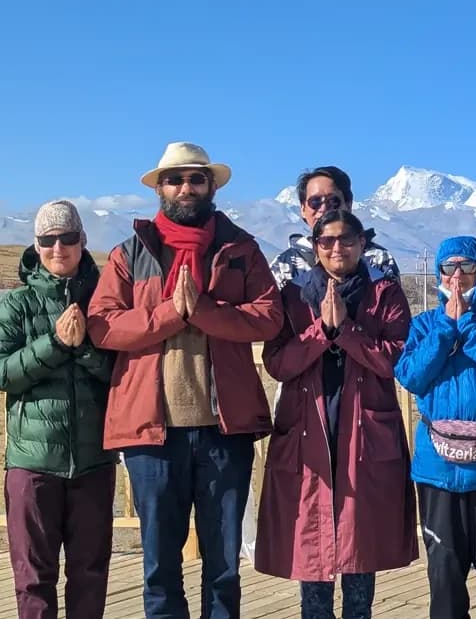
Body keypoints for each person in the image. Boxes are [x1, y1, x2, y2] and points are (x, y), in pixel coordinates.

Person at [87, 142, 284, 618]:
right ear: (160, 189)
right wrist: (170, 315)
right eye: (175, 180)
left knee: (223, 567)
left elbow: (268, 317)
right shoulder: (128, 254)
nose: (186, 188)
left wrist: (205, 311)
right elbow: (103, 325)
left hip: (224, 429)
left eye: (196, 179)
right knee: (159, 565)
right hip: (152, 433)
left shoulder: (242, 250)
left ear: (211, 186)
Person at [256, 210, 418, 619]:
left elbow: (394, 361)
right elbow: (278, 363)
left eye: (346, 239)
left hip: (364, 433)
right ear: (315, 248)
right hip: (309, 431)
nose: (336, 248)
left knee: (359, 549)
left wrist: (347, 331)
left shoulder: (385, 295)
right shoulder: (292, 297)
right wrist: (321, 333)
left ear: (363, 244)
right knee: (313, 551)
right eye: (326, 241)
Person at [395, 235, 476, 619]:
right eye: (448, 268)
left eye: (466, 267)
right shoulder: (423, 325)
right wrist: (445, 330)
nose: (456, 277)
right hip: (438, 470)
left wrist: (468, 323)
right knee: (445, 572)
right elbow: (412, 377)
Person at [2, 201, 116, 619]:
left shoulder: (105, 299)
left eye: (67, 238)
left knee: (90, 573)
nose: (58, 248)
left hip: (93, 462)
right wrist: (55, 344)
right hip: (32, 465)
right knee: (33, 576)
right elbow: (3, 374)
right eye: (48, 240)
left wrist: (84, 347)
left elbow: (122, 374)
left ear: (82, 241)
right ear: (36, 245)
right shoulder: (17, 305)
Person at [269, 165, 399, 288]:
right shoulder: (284, 265)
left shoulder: (378, 260)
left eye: (333, 201)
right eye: (315, 202)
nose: (324, 208)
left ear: (348, 205)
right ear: (303, 209)